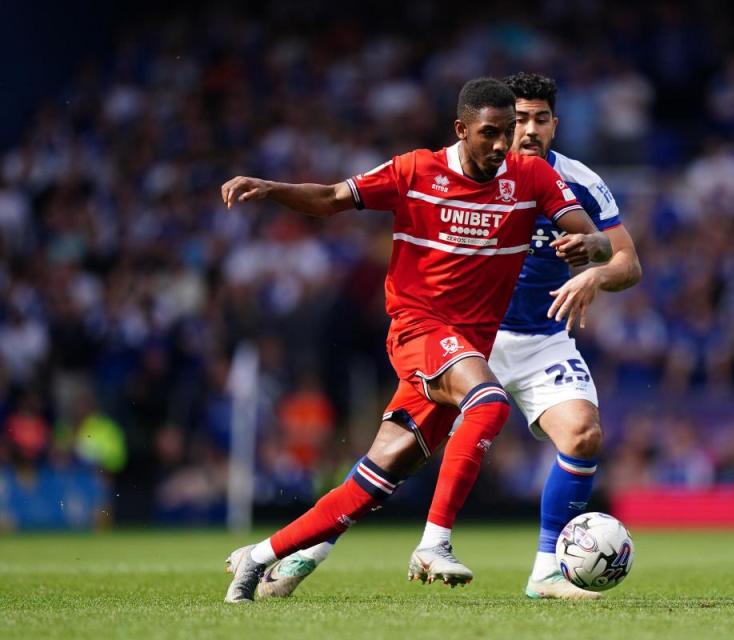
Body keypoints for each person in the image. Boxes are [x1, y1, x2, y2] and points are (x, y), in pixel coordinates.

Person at [221, 77, 612, 603]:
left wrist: (588, 245)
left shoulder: (530, 176)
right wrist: (271, 189)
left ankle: (262, 557)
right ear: (461, 129)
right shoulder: (415, 170)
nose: (502, 145)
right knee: (490, 402)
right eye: (491, 133)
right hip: (420, 330)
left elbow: (598, 238)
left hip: (470, 346)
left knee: (374, 481)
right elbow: (334, 196)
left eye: (509, 133)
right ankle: (434, 543)